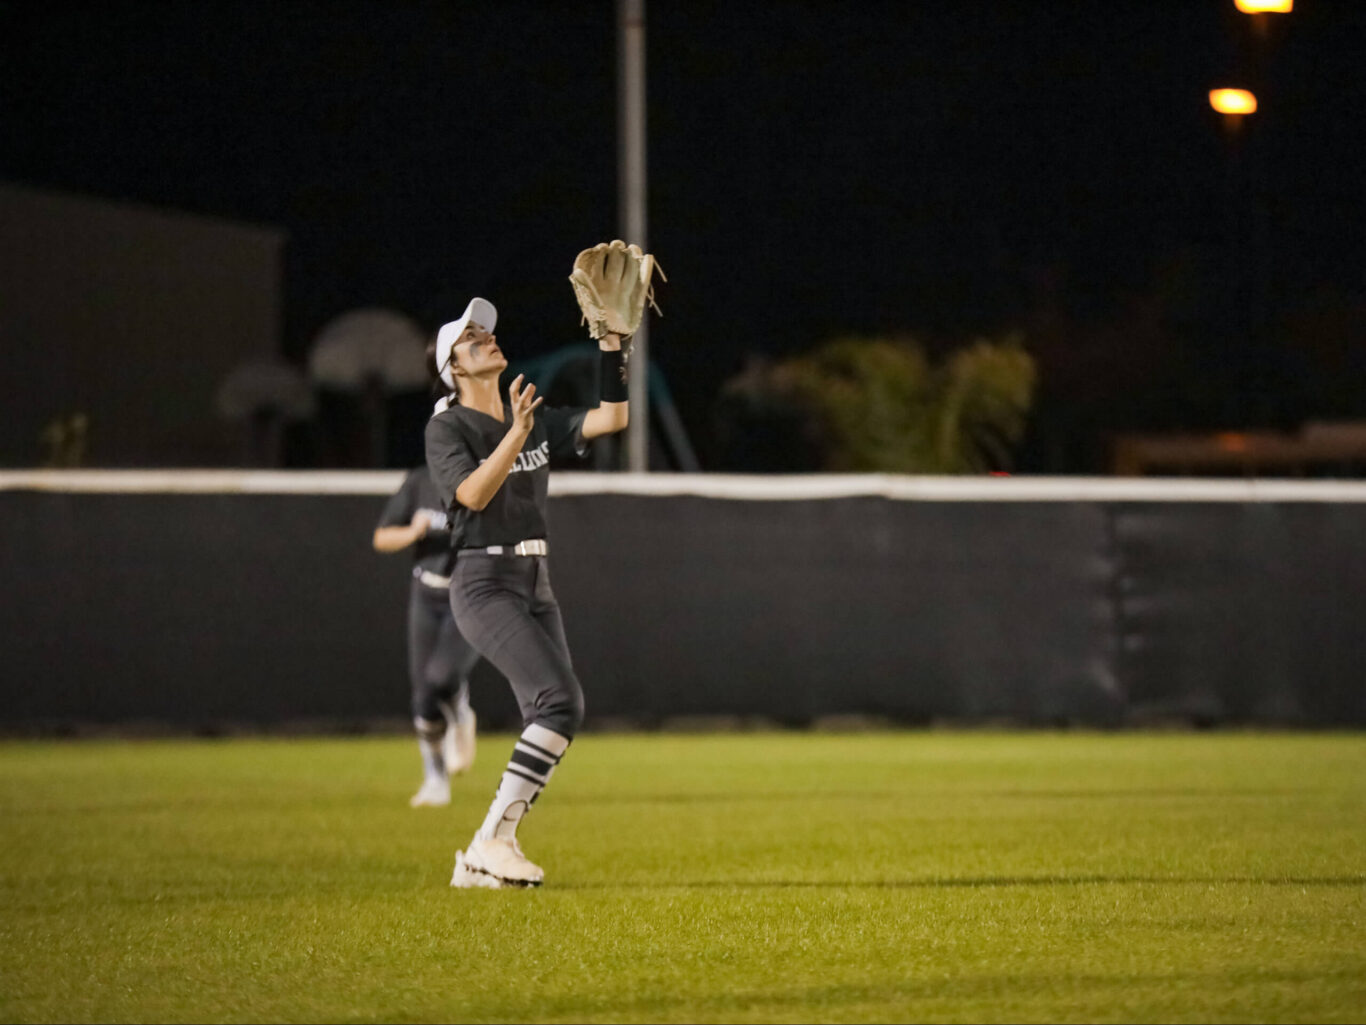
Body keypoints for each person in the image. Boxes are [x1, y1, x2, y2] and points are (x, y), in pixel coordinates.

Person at [425, 296, 630, 888]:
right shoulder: (448, 426)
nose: (486, 339)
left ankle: (483, 853)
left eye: (486, 331)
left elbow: (612, 419)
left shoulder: (530, 417)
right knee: (560, 702)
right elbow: (470, 496)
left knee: (557, 710)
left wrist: (612, 345)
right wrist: (514, 435)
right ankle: (492, 841)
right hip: (483, 580)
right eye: (470, 340)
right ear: (455, 369)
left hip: (536, 581)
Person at [373, 463, 482, 808]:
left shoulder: (481, 477)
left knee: (442, 676)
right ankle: (435, 779)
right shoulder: (420, 481)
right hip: (426, 593)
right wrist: (413, 532)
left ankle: (461, 713)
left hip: (467, 594)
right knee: (422, 699)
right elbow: (382, 537)